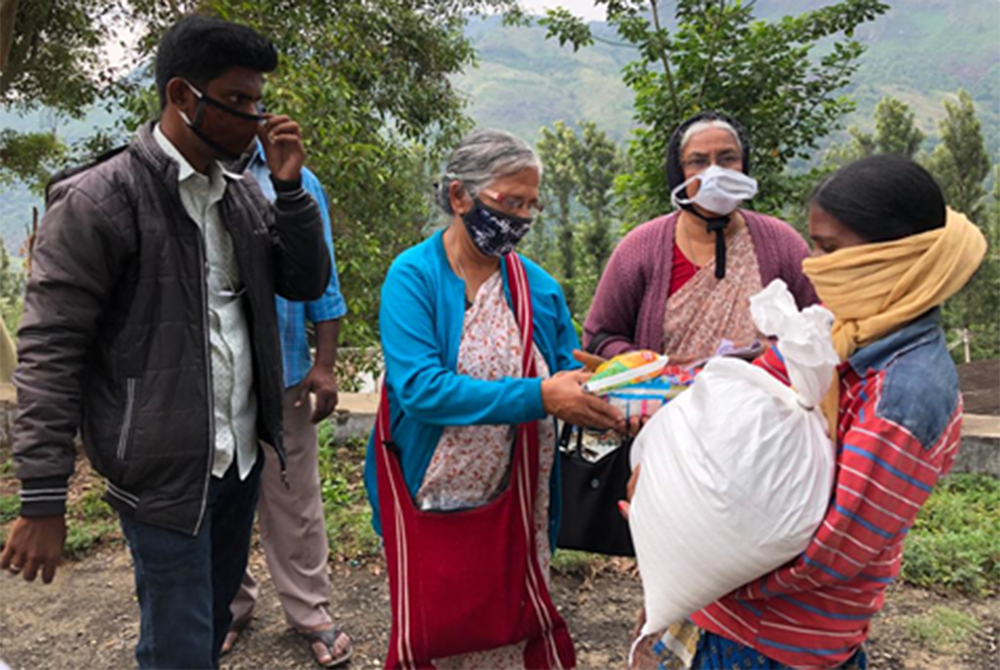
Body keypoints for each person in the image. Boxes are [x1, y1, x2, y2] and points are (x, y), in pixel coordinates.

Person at [0, 15, 331, 670]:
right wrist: (42, 497)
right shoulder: (100, 201)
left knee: (205, 628)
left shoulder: (241, 197)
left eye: (258, 100)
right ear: (183, 96)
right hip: (160, 475)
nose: (254, 117)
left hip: (237, 463)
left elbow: (304, 279)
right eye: (237, 101)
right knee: (178, 646)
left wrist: (291, 191)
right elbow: (49, 351)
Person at [632, 154, 986, 669]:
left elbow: (837, 548)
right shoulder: (839, 337)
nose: (811, 264)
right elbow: (745, 406)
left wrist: (711, 560)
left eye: (830, 249)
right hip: (728, 625)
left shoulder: (903, 392)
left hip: (772, 644)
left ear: (894, 256)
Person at [365, 128, 623, 668]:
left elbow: (563, 370)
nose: (522, 219)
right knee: (441, 623)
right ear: (460, 196)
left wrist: (611, 390)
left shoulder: (537, 287)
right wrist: (541, 396)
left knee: (509, 618)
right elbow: (420, 391)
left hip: (521, 493)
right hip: (430, 491)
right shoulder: (413, 278)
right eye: (510, 202)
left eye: (531, 205)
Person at [221, 144, 352, 666]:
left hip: (287, 367)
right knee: (219, 493)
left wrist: (324, 363)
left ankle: (310, 611)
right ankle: (227, 605)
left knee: (294, 493)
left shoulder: (294, 180)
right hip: (208, 376)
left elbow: (323, 275)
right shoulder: (185, 172)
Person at [584, 111, 816, 365]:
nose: (714, 172)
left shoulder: (781, 242)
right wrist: (646, 363)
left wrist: (770, 351)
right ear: (679, 173)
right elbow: (600, 336)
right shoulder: (639, 248)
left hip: (765, 400)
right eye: (698, 161)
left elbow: (821, 327)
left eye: (728, 159)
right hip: (669, 401)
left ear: (743, 166)